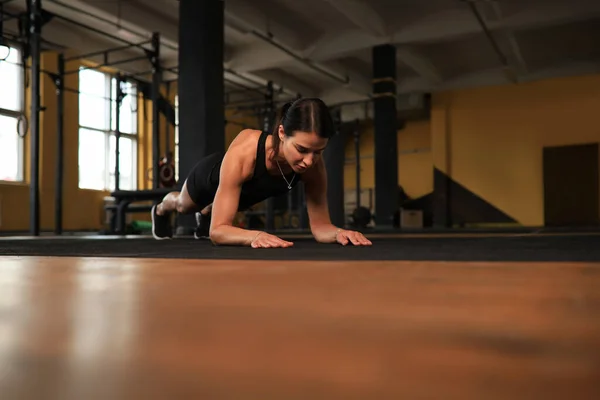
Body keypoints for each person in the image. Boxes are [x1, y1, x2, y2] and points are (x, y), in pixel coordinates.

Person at [151, 97, 372, 248]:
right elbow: (217, 232)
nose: (309, 161)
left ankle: (210, 210)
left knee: (223, 209)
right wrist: (254, 236)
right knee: (184, 206)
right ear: (282, 132)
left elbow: (321, 226)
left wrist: (338, 233)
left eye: (318, 151)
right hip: (209, 177)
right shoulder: (246, 150)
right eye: (302, 150)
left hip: (244, 194)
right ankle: (161, 209)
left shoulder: (314, 165)